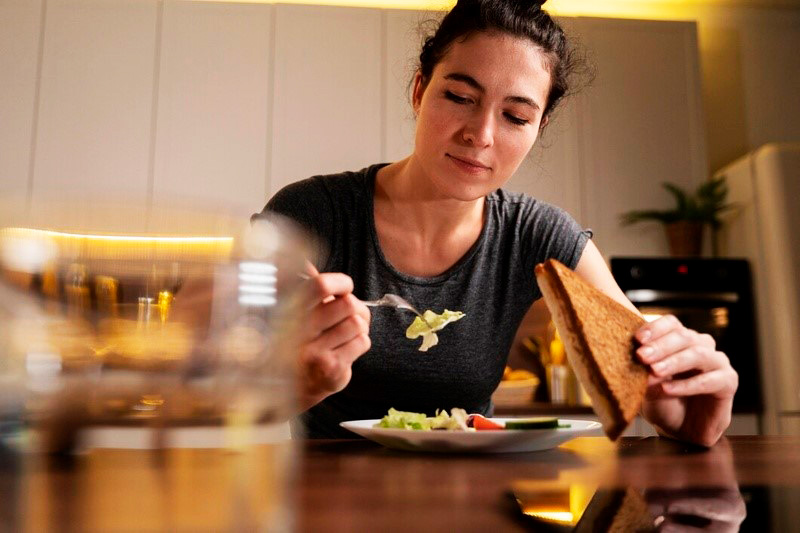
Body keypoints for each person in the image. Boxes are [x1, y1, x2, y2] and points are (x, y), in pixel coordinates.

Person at [255, 0, 738, 445]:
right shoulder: (310, 214)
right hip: (326, 500)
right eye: (460, 97)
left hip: (479, 502)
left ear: (539, 128)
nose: (480, 135)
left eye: (515, 116)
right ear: (420, 90)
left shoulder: (540, 235)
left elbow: (647, 384)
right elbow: (223, 391)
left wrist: (688, 412)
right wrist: (296, 384)